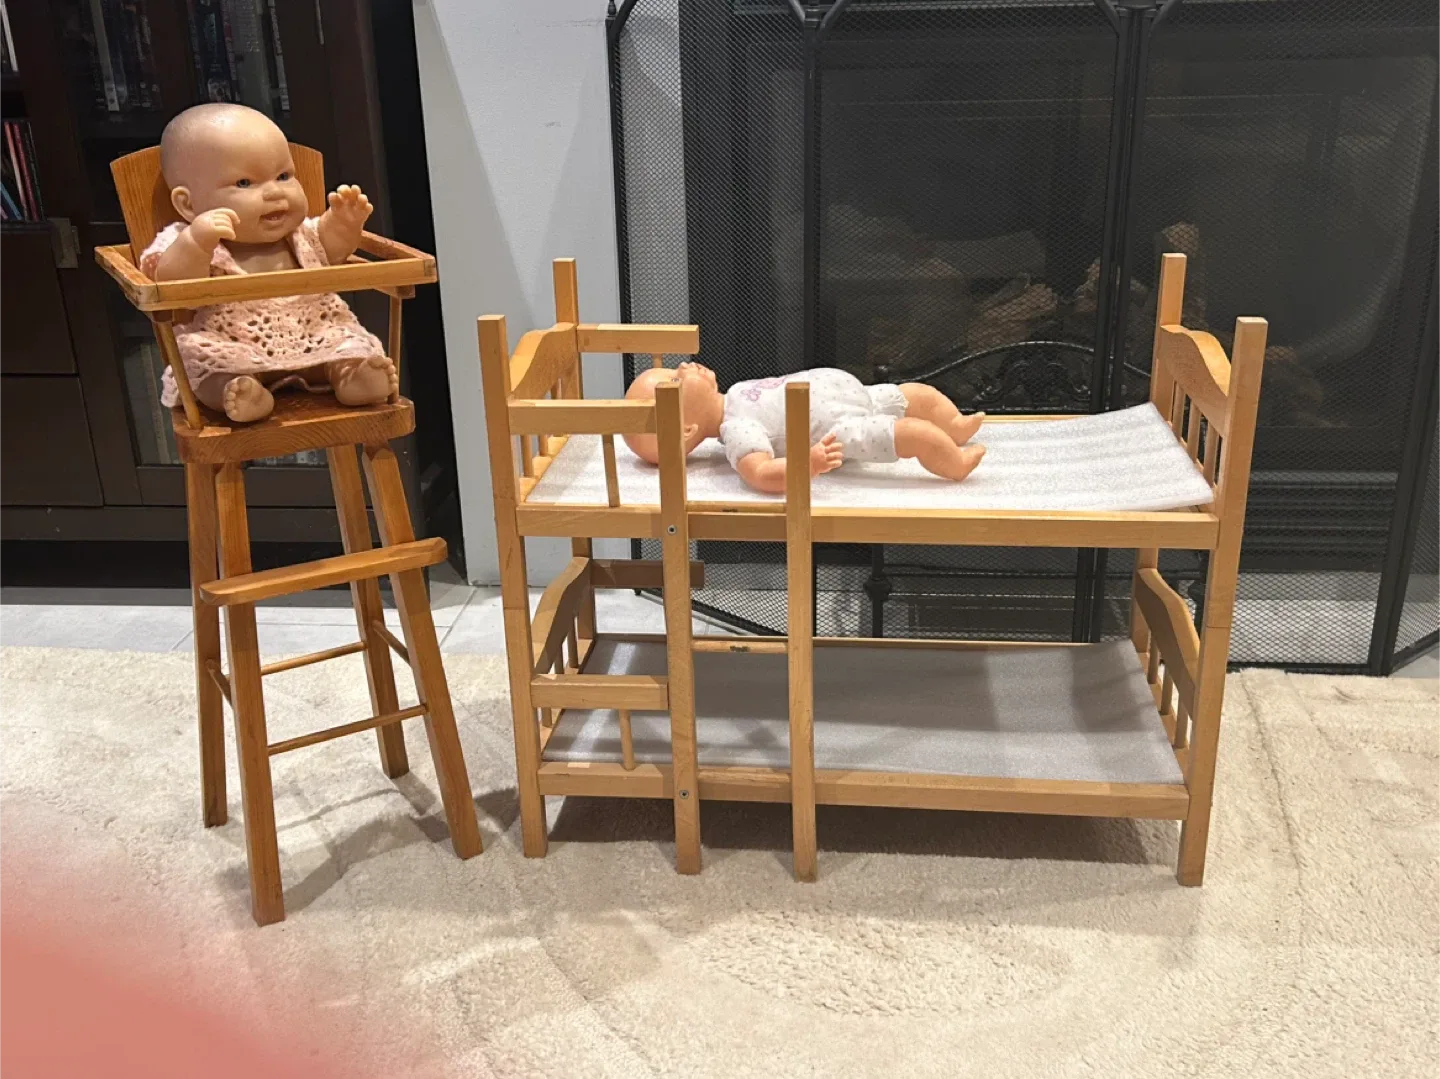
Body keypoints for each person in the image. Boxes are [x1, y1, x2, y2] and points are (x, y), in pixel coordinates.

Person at [142, 103, 394, 422]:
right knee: (204, 365)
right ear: (188, 204)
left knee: (346, 342)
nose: (274, 192)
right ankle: (240, 391)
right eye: (245, 183)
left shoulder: (301, 234)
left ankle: (351, 376)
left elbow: (331, 253)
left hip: (313, 335)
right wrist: (196, 242)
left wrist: (344, 224)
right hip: (232, 345)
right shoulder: (185, 239)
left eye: (284, 176)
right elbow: (173, 282)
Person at [622, 362, 986, 494]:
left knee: (917, 395)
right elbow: (760, 473)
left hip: (856, 396)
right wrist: (807, 462)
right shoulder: (736, 429)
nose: (684, 365)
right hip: (839, 427)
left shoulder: (733, 395)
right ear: (687, 429)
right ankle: (953, 462)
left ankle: (954, 425)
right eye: (673, 377)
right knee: (913, 433)